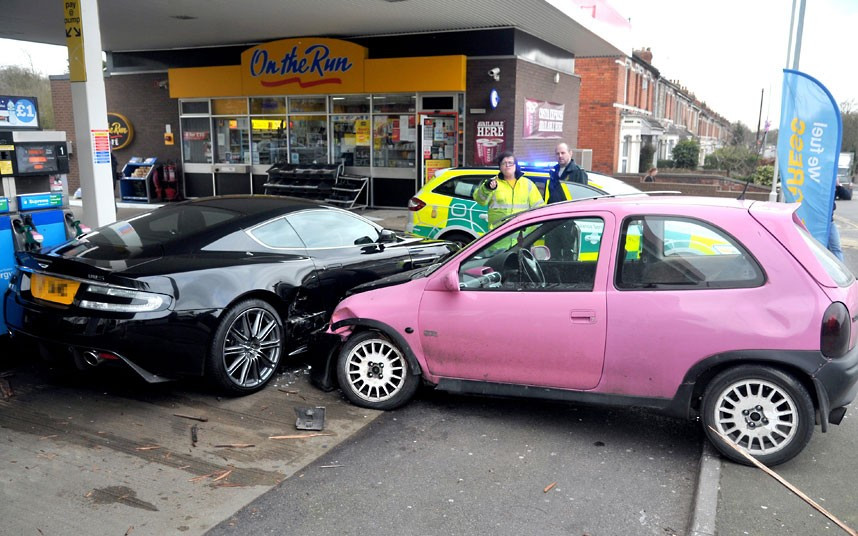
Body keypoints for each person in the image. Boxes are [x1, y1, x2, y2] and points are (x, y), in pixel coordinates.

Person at [473, 151, 544, 230]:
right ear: (500, 167)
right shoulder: (492, 183)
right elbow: (480, 200)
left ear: (515, 165)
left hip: (522, 233)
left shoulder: (527, 184)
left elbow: (539, 208)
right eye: (504, 163)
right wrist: (487, 188)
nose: (507, 165)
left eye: (510, 163)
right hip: (500, 233)